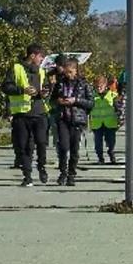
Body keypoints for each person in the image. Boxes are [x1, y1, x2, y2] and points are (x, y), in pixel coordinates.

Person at [4, 44, 52, 186]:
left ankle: (41, 167)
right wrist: (22, 90)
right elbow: (6, 87)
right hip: (21, 114)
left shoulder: (42, 71)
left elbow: (47, 86)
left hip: (39, 111)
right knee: (25, 146)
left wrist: (45, 92)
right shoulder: (16, 68)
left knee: (42, 142)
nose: (42, 59)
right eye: (40, 56)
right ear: (32, 56)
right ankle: (27, 176)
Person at [47, 55, 93, 187]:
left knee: (74, 149)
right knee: (63, 146)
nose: (68, 75)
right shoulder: (60, 83)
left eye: (70, 72)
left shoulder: (84, 84)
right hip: (63, 118)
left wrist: (76, 100)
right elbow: (52, 100)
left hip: (77, 119)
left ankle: (72, 174)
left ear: (76, 71)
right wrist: (58, 101)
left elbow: (90, 103)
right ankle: (63, 172)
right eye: (66, 72)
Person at [89, 75, 120, 164]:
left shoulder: (113, 95)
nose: (99, 88)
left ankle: (111, 153)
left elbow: (118, 108)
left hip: (110, 123)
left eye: (100, 86)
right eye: (97, 87)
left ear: (105, 85)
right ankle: (100, 158)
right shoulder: (92, 96)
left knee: (111, 141)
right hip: (97, 123)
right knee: (98, 143)